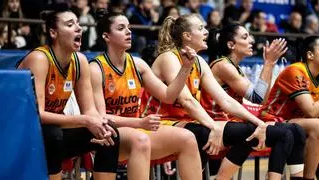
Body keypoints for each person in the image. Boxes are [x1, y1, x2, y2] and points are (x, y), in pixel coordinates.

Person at [140, 14, 295, 180]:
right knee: (204, 132)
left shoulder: (199, 61)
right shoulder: (169, 57)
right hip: (158, 122)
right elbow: (186, 100)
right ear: (187, 36)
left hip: (186, 122)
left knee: (250, 131)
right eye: (201, 28)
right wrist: (214, 126)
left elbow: (225, 100)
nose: (206, 32)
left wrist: (258, 123)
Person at [89, 11, 202, 180]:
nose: (128, 32)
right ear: (106, 36)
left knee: (187, 138)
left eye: (129, 27)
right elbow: (101, 117)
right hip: (109, 135)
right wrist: (139, 122)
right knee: (140, 139)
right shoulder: (96, 69)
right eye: (121, 28)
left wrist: (185, 68)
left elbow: (168, 96)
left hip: (137, 131)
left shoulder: (138, 65)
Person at [16, 8, 120, 180]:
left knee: (110, 132)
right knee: (52, 133)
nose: (78, 28)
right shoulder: (40, 59)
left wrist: (98, 123)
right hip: (22, 134)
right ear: (53, 32)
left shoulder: (80, 61)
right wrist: (85, 120)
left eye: (78, 23)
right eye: (70, 24)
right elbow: (38, 116)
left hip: (53, 133)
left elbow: (90, 110)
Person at [202, 23, 306, 179]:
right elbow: (257, 97)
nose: (251, 40)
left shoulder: (234, 67)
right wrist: (269, 63)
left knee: (296, 130)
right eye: (245, 37)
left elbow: (262, 99)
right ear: (231, 44)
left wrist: (269, 65)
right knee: (282, 134)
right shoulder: (223, 66)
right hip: (215, 123)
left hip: (232, 123)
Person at [260, 35, 319, 180]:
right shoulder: (296, 71)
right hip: (272, 121)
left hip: (297, 124)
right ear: (310, 55)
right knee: (318, 126)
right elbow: (311, 111)